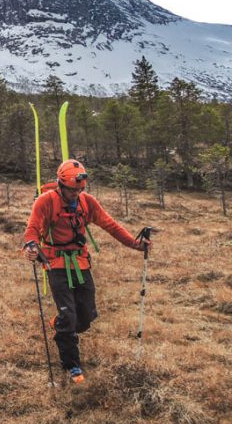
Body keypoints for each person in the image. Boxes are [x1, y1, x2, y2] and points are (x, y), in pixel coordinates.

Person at [22, 159, 150, 383]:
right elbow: (32, 227)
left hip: (80, 262)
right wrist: (31, 246)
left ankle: (60, 324)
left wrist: (134, 244)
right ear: (61, 184)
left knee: (87, 315)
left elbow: (110, 225)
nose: (77, 194)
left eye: (81, 189)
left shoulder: (87, 202)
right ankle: (72, 366)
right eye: (73, 190)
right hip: (56, 264)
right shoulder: (45, 201)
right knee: (69, 316)